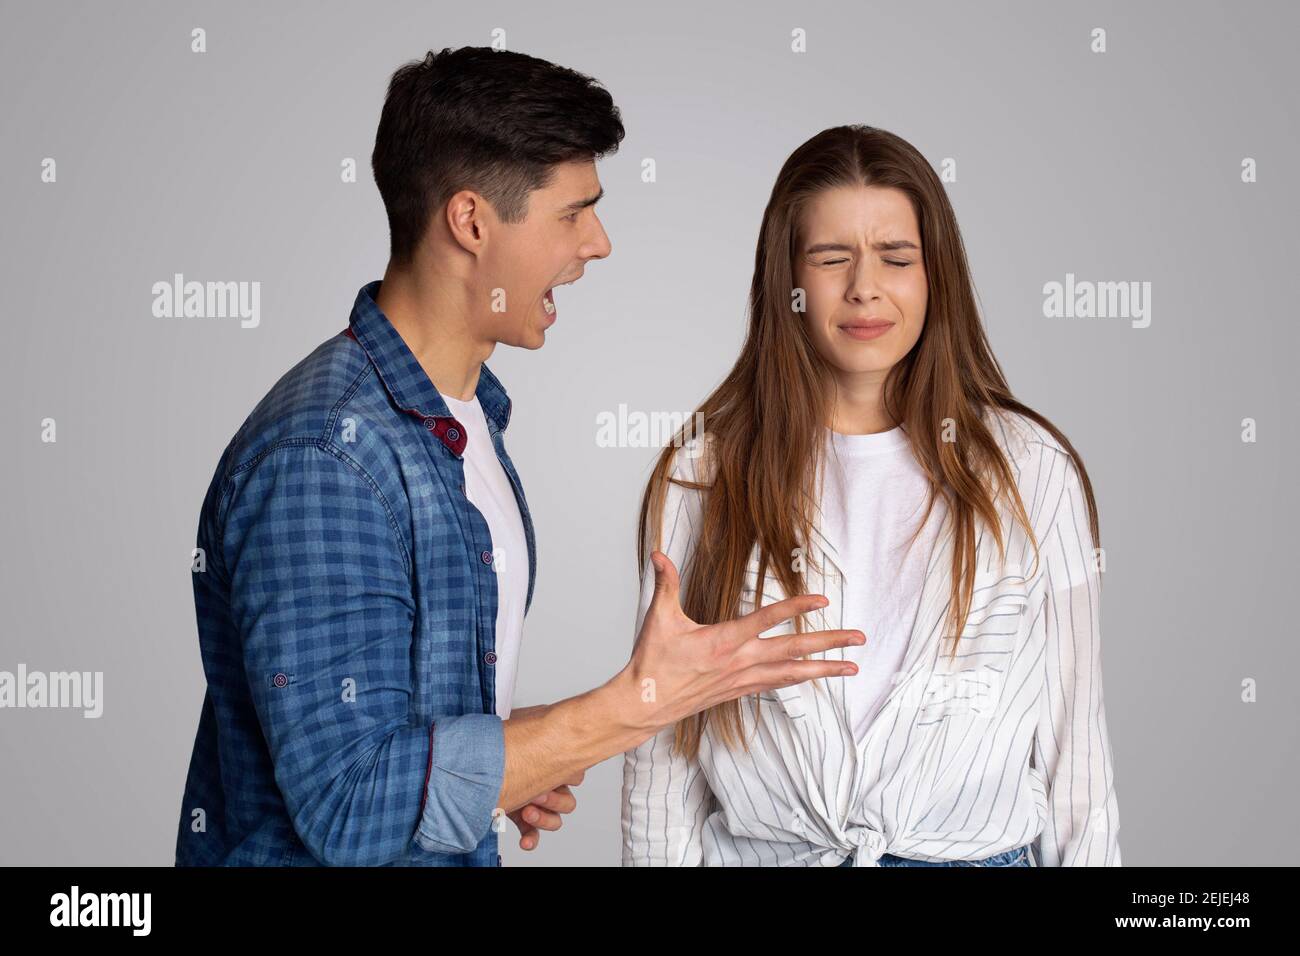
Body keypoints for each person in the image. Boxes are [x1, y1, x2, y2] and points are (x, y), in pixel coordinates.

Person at [174, 47, 864, 867]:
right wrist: (639, 703)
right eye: (573, 213)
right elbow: (352, 803)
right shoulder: (328, 458)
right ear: (471, 222)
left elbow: (398, 725)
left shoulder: (467, 421)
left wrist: (510, 760)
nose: (598, 243)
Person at [621, 124, 1122, 867]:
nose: (865, 286)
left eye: (896, 257)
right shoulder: (705, 472)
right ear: (785, 278)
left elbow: (1075, 744)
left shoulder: (1030, 469)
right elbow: (662, 750)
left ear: (934, 276)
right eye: (831, 258)